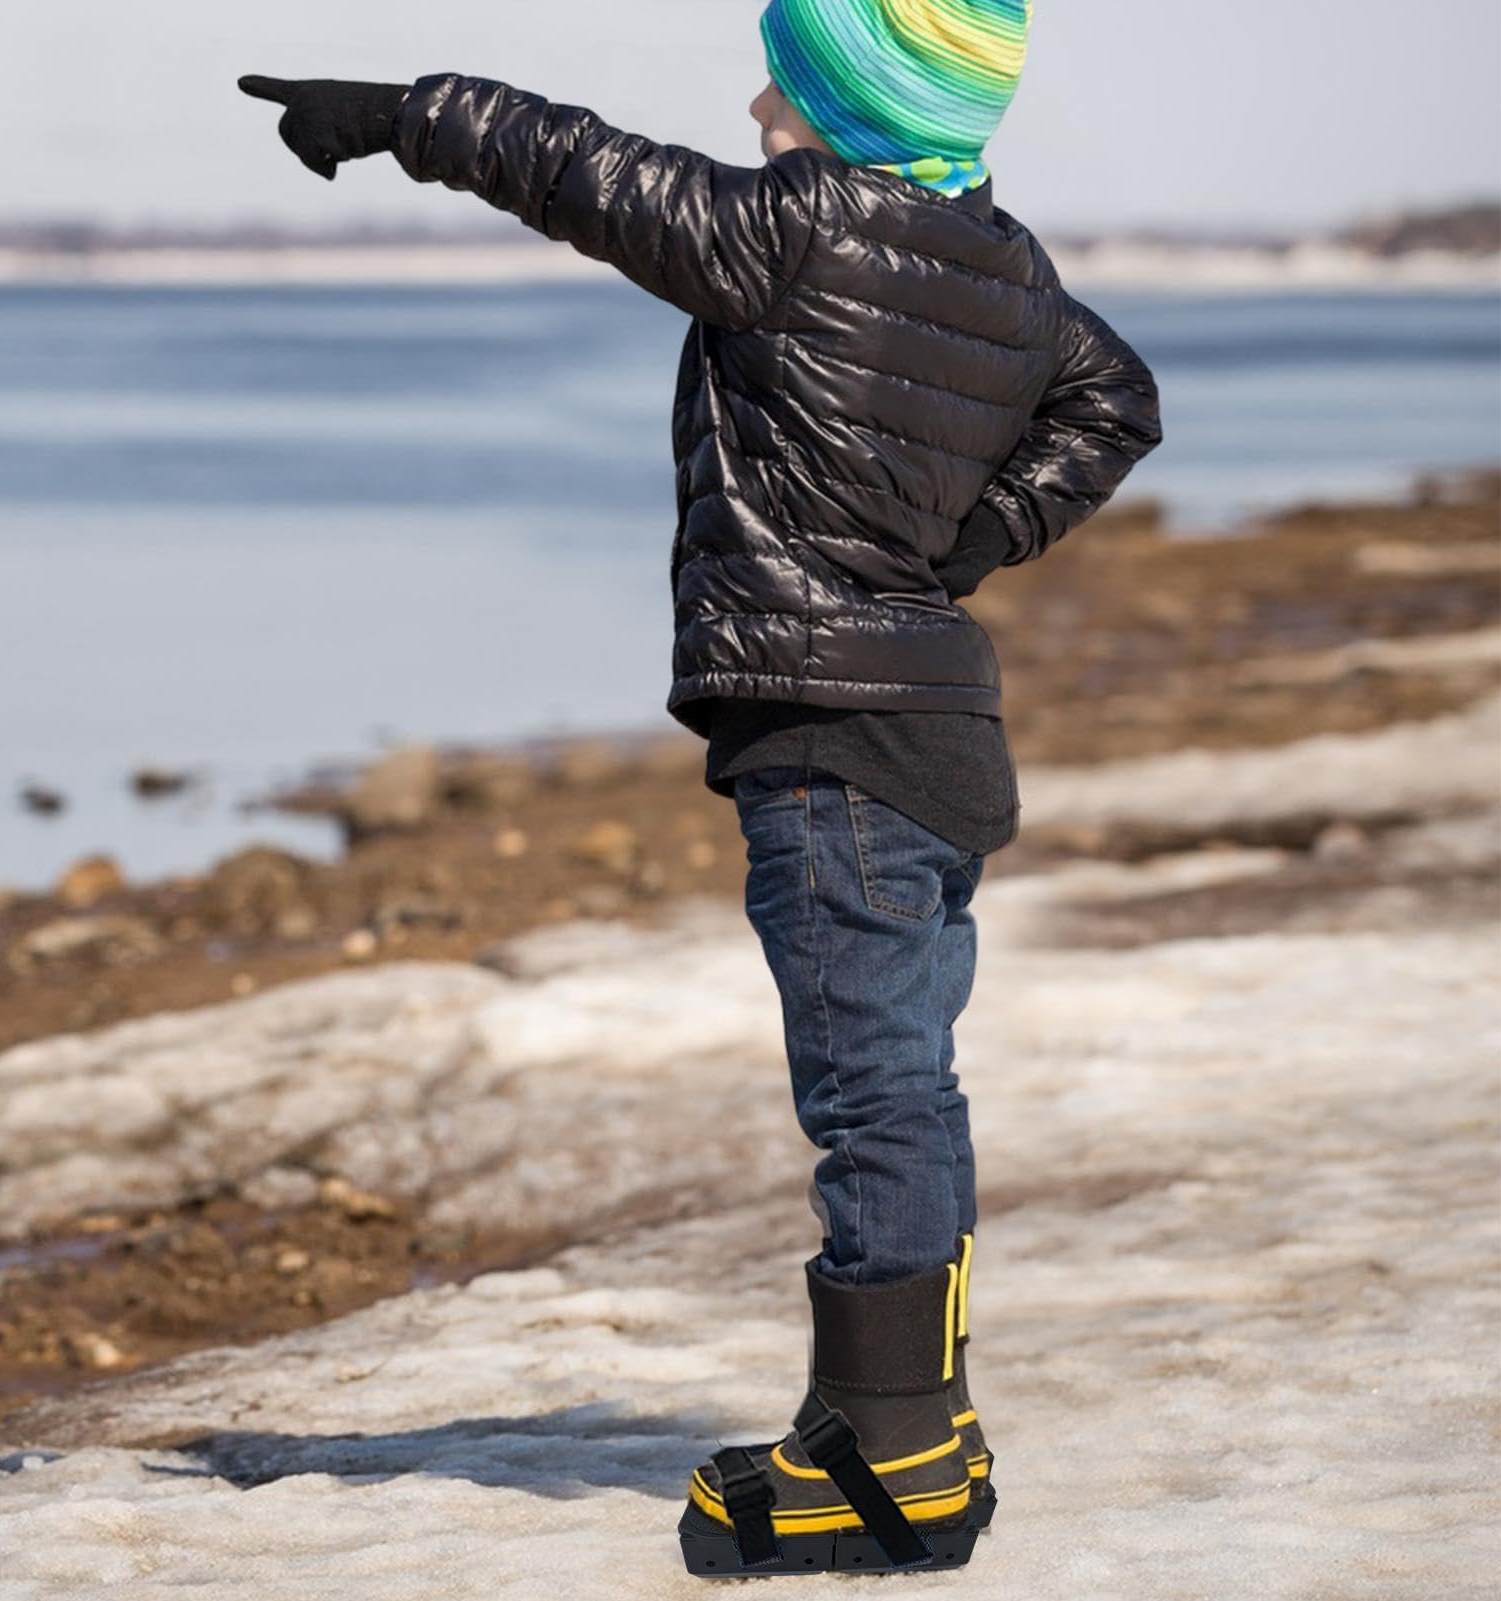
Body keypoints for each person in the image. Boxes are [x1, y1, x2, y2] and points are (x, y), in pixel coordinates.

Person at [239, 0, 1161, 1574]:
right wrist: (987, 535)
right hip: (933, 740)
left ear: (849, 105)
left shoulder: (803, 229)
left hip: (835, 742)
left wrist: (397, 112)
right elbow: (1115, 400)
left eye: (784, 80)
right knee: (905, 1089)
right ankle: (888, 1412)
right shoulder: (1002, 262)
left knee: (874, 1096)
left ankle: (899, 1461)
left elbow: (578, 169)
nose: (752, 103)